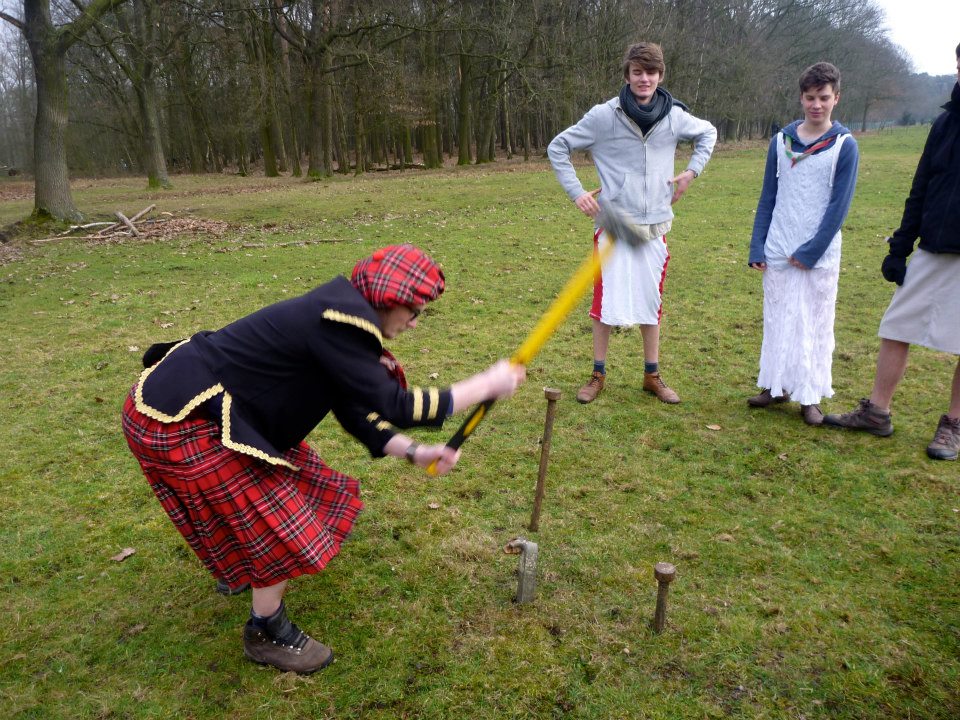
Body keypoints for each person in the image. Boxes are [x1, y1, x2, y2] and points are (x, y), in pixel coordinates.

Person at [121, 244, 526, 673]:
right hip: (178, 421)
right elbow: (396, 405)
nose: (414, 321)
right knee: (274, 518)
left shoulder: (343, 321)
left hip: (207, 412)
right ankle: (266, 631)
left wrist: (415, 451)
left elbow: (358, 412)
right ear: (387, 299)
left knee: (276, 496)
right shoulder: (338, 323)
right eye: (414, 310)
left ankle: (241, 568)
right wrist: (485, 384)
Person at [547, 41, 716, 405]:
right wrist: (578, 192)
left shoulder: (674, 116)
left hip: (655, 225)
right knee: (603, 303)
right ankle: (597, 374)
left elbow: (709, 133)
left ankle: (652, 375)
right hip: (613, 225)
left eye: (651, 72)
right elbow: (558, 147)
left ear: (660, 76)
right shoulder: (603, 116)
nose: (644, 79)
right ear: (627, 75)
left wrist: (691, 172)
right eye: (637, 72)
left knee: (651, 302)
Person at [823, 44, 960, 460]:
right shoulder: (945, 123)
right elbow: (921, 187)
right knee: (896, 326)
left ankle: (954, 425)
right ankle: (877, 411)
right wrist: (899, 248)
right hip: (933, 247)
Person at [746, 62, 859, 426]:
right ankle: (775, 386)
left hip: (818, 252)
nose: (816, 105)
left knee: (813, 321)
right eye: (810, 97)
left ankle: (809, 396)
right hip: (779, 244)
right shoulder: (781, 141)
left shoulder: (844, 145)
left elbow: (838, 207)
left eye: (824, 98)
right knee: (778, 318)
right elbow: (768, 196)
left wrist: (812, 251)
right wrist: (758, 245)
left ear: (836, 98)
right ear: (801, 97)